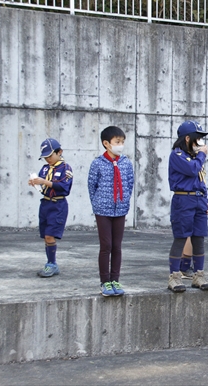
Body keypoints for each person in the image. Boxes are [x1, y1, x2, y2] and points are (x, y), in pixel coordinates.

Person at [87, 126, 135, 297]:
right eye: (117, 142)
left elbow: (130, 183)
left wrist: (124, 201)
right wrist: (98, 204)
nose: (120, 145)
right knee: (106, 246)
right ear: (106, 143)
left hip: (120, 210)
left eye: (122, 142)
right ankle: (104, 281)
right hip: (103, 210)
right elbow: (92, 186)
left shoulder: (126, 163)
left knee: (117, 246)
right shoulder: (98, 163)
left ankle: (115, 279)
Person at [167, 120, 208, 293]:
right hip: (183, 200)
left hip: (198, 200)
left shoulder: (195, 158)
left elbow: (201, 180)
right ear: (188, 138)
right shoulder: (177, 155)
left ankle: (198, 274)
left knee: (199, 239)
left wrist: (205, 200)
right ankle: (174, 276)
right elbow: (193, 170)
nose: (201, 142)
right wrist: (202, 155)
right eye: (198, 138)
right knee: (181, 238)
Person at [28, 138, 73, 278]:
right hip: (45, 203)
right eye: (45, 157)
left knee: (50, 234)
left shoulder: (65, 168)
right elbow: (42, 184)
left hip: (57, 204)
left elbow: (64, 187)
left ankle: (52, 264)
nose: (47, 159)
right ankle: (51, 262)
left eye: (50, 155)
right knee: (45, 236)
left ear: (59, 152)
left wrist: (44, 182)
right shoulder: (45, 168)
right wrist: (35, 182)